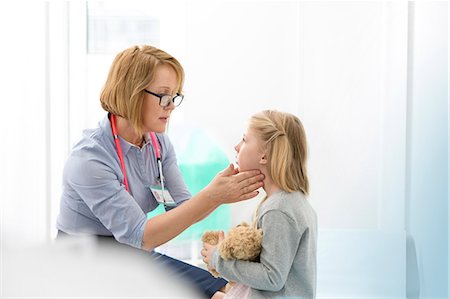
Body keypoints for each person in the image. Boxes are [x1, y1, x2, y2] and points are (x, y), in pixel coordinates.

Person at [56, 45, 264, 299]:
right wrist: (213, 196)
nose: (172, 106)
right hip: (84, 262)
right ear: (131, 93)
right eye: (164, 96)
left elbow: (182, 209)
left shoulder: (157, 144)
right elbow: (142, 236)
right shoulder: (90, 159)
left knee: (230, 292)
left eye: (175, 96)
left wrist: (219, 193)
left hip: (132, 255)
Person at [201, 110, 318, 299]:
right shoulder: (291, 202)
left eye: (245, 140)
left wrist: (218, 260)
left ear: (264, 156)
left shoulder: (279, 210)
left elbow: (272, 278)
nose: (237, 146)